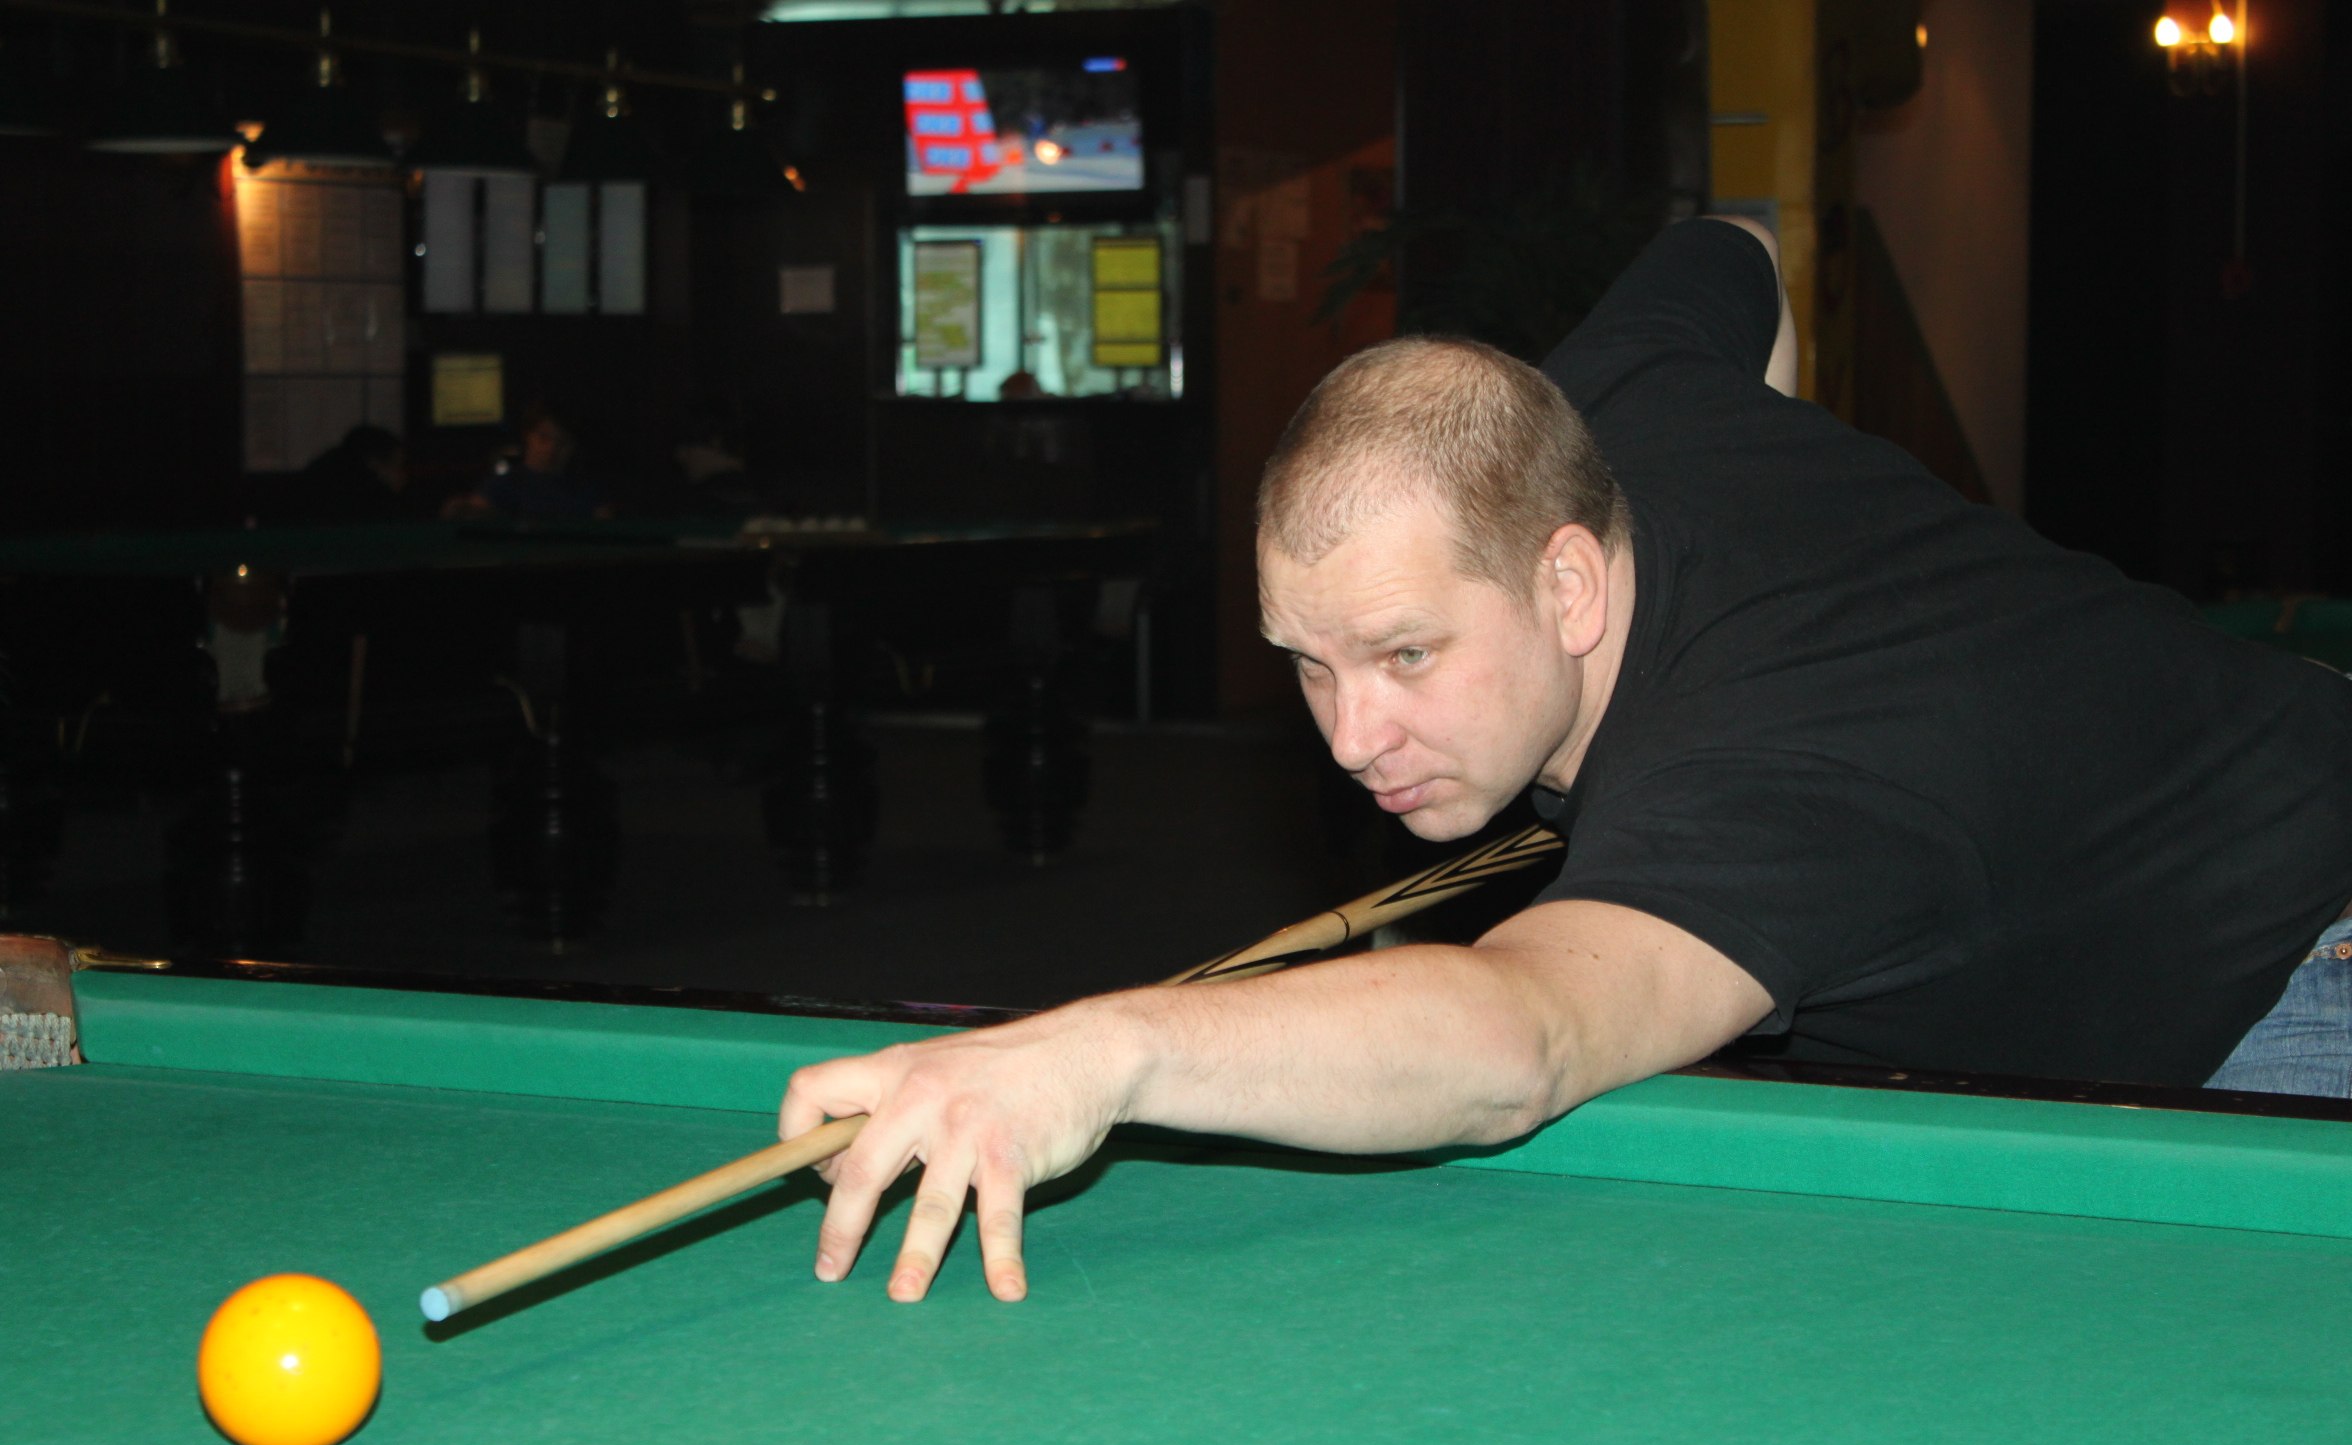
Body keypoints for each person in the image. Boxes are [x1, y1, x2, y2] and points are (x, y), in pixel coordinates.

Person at [777, 216, 2352, 1306]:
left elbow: (1521, 1039)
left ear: (1572, 585)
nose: (1351, 737)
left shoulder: (1760, 785)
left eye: (1406, 656)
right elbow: (1735, 247)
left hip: (2305, 954)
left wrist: (1104, 1052)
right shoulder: (1606, 404)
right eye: (1308, 664)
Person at [445, 408, 607, 524]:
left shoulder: (586, 490)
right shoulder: (503, 486)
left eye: (562, 442)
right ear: (527, 436)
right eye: (544, 437)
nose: (551, 448)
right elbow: (470, 515)